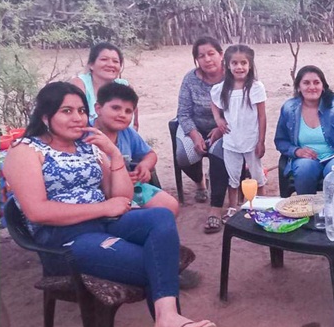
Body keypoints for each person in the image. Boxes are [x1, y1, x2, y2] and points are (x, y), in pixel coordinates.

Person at [4, 82, 219, 327]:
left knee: (160, 217)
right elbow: (38, 211)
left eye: (80, 110)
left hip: (105, 224)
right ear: (45, 116)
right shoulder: (25, 151)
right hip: (66, 242)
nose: (78, 117)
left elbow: (121, 196)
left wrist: (114, 156)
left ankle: (167, 318)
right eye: (67, 111)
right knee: (156, 261)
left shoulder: (89, 147)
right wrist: (103, 209)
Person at [275, 65, 334, 194]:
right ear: (298, 87)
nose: (312, 87)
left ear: (323, 86)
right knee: (304, 169)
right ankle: (308, 211)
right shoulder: (289, 109)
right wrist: (297, 151)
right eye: (306, 83)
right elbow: (281, 141)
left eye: (316, 82)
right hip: (305, 159)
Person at [92, 83, 181, 215]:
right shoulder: (87, 134)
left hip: (129, 186)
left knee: (170, 205)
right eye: (115, 108)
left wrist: (144, 166)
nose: (122, 114)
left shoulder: (126, 132)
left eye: (128, 111)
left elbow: (150, 154)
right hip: (96, 191)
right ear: (98, 108)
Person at [175, 37, 232, 232]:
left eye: (211, 54)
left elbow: (242, 109)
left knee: (219, 153)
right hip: (194, 127)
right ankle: (200, 182)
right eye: (201, 56)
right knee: (184, 156)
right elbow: (183, 113)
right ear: (196, 60)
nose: (207, 59)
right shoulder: (190, 79)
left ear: (221, 55)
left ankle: (215, 209)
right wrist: (194, 134)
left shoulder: (233, 77)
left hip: (224, 128)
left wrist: (221, 126)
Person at [210, 44, 267, 221]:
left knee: (257, 175)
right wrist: (218, 120)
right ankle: (233, 207)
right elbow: (213, 102)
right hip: (231, 141)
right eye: (234, 63)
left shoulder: (256, 87)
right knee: (233, 176)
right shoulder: (221, 89)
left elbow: (262, 116)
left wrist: (261, 141)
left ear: (250, 65)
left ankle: (260, 205)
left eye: (243, 63)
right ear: (227, 65)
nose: (239, 67)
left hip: (251, 140)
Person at [70, 42, 136, 129]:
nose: (110, 65)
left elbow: (134, 125)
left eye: (115, 61)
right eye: (104, 59)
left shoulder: (125, 86)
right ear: (91, 64)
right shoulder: (79, 85)